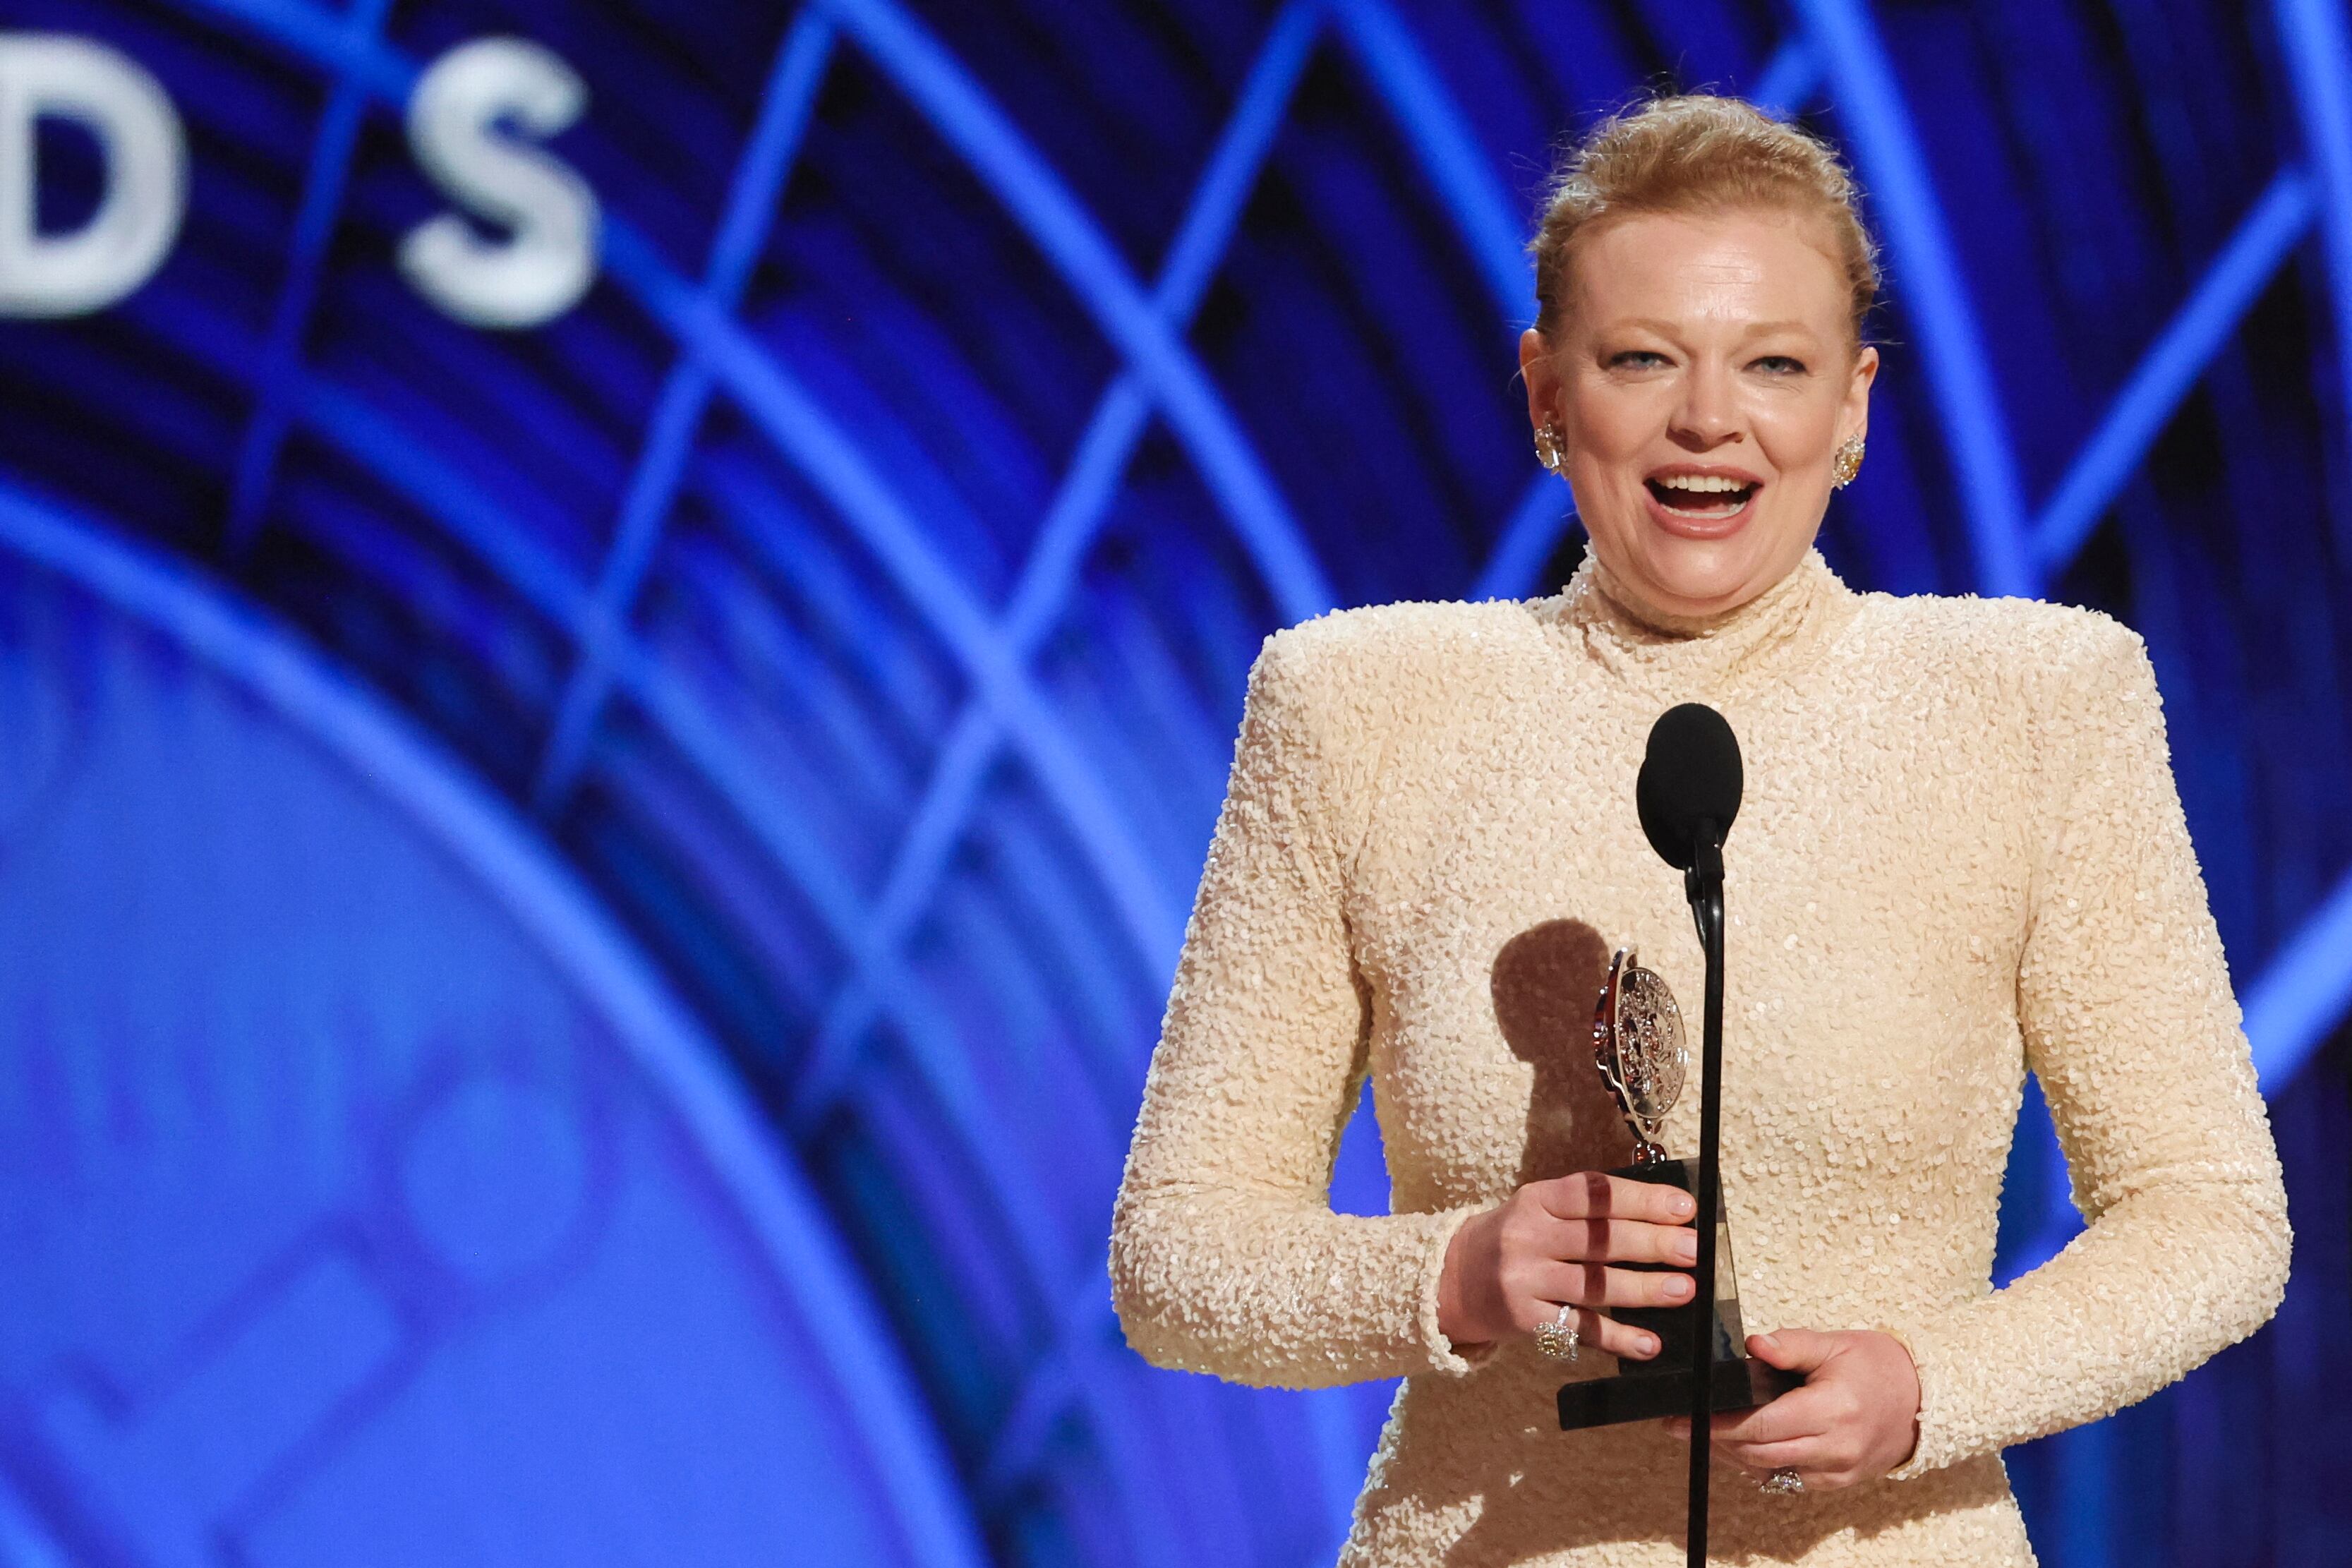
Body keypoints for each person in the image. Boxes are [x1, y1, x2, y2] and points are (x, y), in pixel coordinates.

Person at [1106, 92, 2292, 1566]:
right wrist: (1459, 1271)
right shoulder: (1355, 710)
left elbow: (2209, 1218)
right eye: (1640, 359)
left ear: (1851, 406)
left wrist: (1929, 1385)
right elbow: (1177, 1255)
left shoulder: (2035, 707)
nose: (1707, 420)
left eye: (1773, 364)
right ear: (1546, 393)